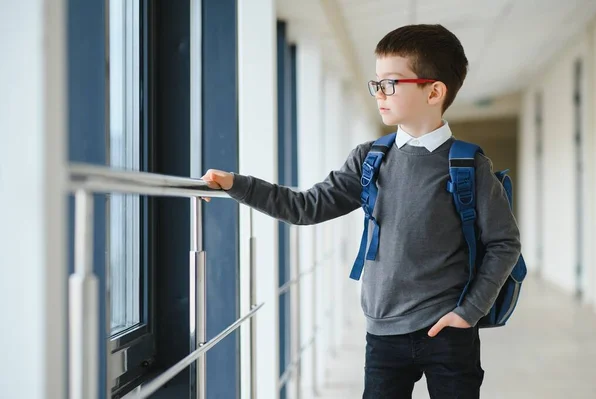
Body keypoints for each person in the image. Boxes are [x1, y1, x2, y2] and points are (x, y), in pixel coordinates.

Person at [201, 24, 521, 399]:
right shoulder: (370, 159)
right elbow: (306, 207)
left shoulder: (469, 165)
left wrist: (468, 312)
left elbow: (504, 244)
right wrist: (236, 184)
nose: (379, 93)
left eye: (391, 83)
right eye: (377, 83)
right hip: (383, 334)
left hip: (448, 332)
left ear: (434, 91)